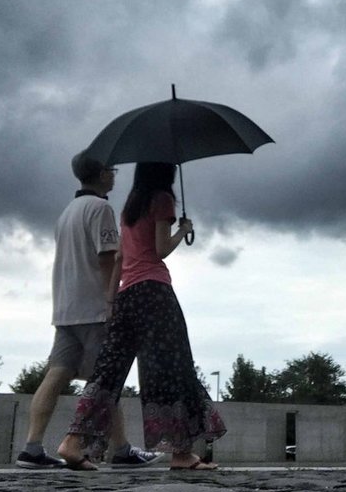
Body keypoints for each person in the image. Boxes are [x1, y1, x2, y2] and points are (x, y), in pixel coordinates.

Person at [58, 162, 226, 471]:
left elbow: (121, 256)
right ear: (165, 171)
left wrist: (111, 300)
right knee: (172, 369)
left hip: (126, 296)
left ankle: (72, 441)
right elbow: (161, 250)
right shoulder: (162, 200)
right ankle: (181, 452)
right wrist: (183, 231)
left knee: (108, 372)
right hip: (155, 293)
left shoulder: (129, 207)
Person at [16, 152, 162, 469]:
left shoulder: (67, 213)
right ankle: (121, 450)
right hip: (95, 308)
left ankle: (32, 447)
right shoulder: (101, 208)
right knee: (105, 382)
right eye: (111, 170)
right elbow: (108, 257)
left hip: (65, 308)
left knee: (56, 376)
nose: (114, 175)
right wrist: (114, 299)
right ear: (100, 174)